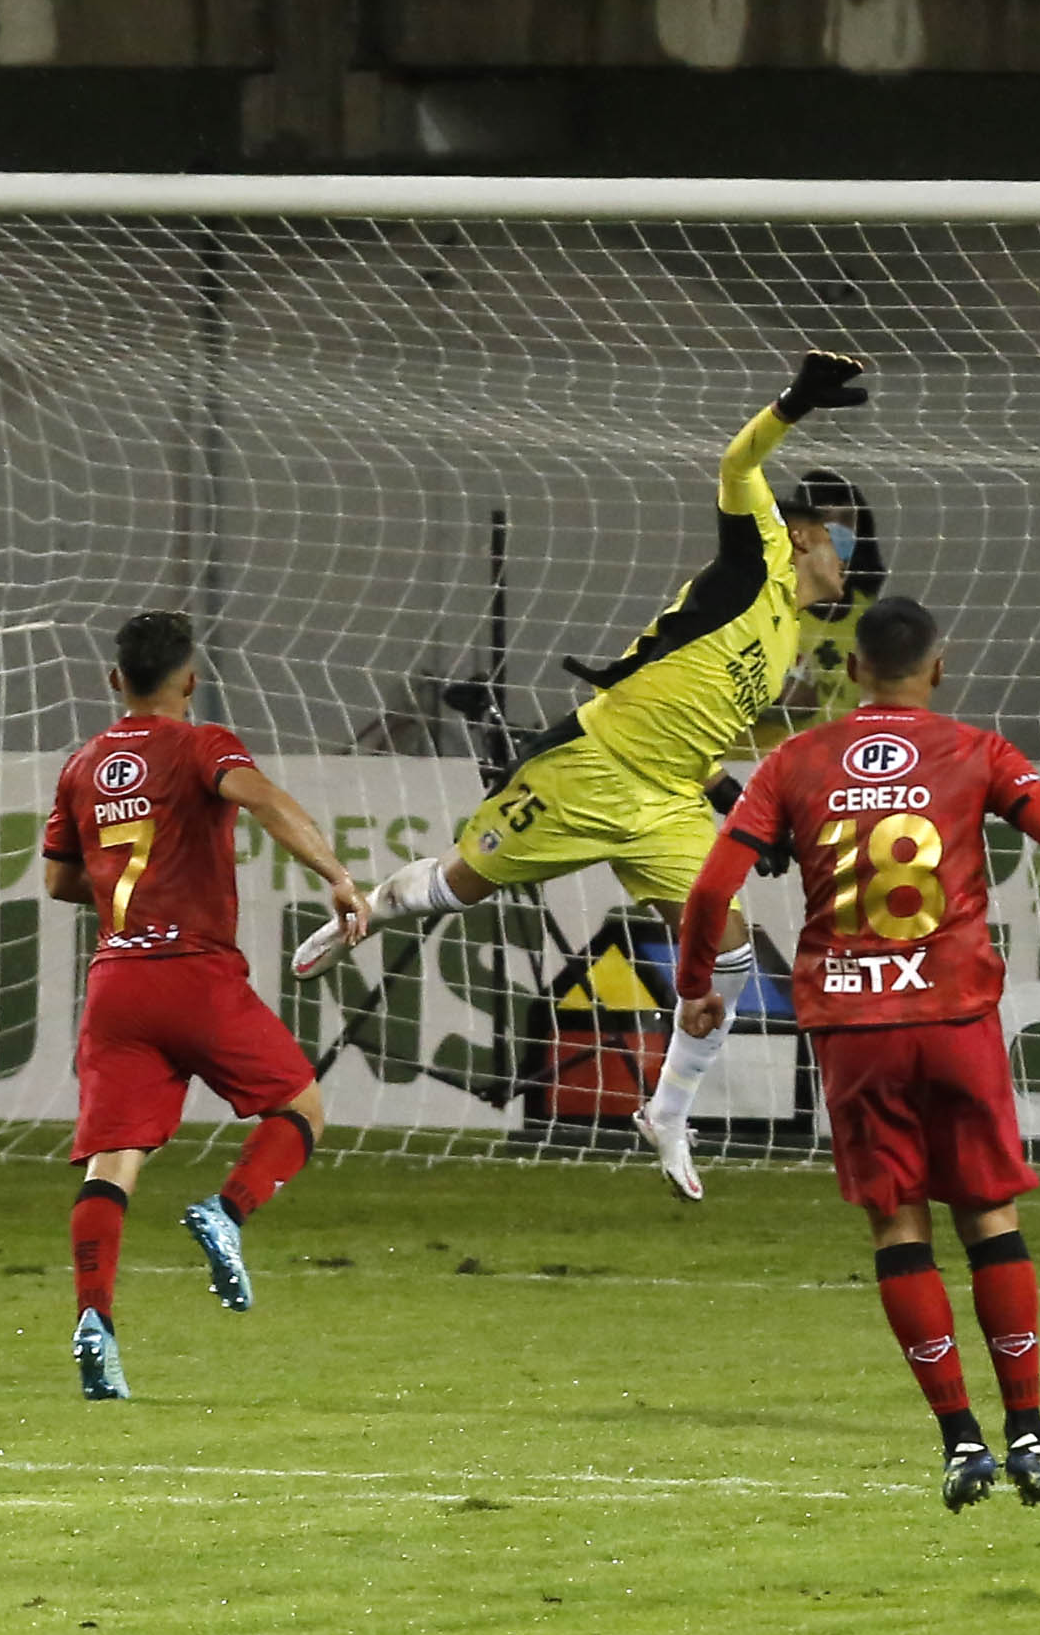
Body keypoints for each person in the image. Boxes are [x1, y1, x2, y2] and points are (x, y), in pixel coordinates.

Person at [292, 350, 871, 1200]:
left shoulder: (788, 638)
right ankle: (372, 908)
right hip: (589, 767)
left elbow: (696, 724)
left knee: (733, 951)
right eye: (843, 543)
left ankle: (667, 1111)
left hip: (667, 802)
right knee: (456, 888)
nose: (849, 562)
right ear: (810, 535)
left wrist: (732, 801)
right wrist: (792, 403)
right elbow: (736, 461)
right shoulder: (758, 556)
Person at [672, 597, 1040, 1512]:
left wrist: (692, 985)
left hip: (852, 1027)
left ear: (855, 671)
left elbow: (715, 880)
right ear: (937, 668)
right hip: (954, 1015)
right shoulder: (980, 751)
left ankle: (961, 1443)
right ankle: (1028, 1431)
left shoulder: (795, 760)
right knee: (988, 1217)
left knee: (897, 1226)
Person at [43, 609, 370, 1400]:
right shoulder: (201, 743)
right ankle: (228, 1210)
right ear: (190, 679)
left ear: (115, 679)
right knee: (301, 1105)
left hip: (116, 985)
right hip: (195, 973)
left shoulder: (82, 765)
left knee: (111, 1164)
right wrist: (334, 872)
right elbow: (260, 797)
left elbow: (58, 881)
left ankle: (95, 1321)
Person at [742, 467, 890, 752]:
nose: (838, 533)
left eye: (847, 520)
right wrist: (773, 696)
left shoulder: (872, 618)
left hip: (837, 766)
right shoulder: (769, 604)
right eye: (824, 520)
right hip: (758, 763)